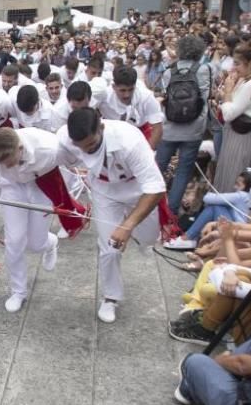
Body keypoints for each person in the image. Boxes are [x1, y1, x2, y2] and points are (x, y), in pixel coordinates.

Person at [58, 108, 168, 323]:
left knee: (148, 237)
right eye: (81, 148)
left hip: (137, 189)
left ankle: (143, 240)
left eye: (90, 145)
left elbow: (156, 188)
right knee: (110, 246)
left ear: (101, 127)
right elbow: (50, 160)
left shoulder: (130, 141)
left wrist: (127, 226)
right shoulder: (65, 139)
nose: (86, 152)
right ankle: (111, 297)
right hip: (103, 190)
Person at [0, 127, 69, 312]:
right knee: (14, 241)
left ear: (20, 148)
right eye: (3, 165)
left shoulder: (49, 147)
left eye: (10, 162)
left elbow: (72, 167)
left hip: (42, 184)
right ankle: (18, 291)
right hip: (12, 187)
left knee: (36, 244)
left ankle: (50, 243)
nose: (7, 166)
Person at [155, 34, 213, 212]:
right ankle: (171, 212)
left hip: (170, 127)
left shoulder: (168, 71)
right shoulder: (204, 69)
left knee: (157, 168)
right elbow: (205, 97)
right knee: (183, 172)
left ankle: (150, 207)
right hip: (194, 128)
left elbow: (164, 97)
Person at [213, 41, 251, 193]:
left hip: (241, 137)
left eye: (238, 63)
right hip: (234, 135)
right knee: (225, 174)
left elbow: (229, 114)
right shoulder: (245, 80)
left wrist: (227, 92)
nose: (234, 68)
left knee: (231, 179)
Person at [99, 66, 164, 150]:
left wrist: (148, 153)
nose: (127, 95)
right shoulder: (103, 96)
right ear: (114, 87)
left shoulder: (146, 96)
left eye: (130, 90)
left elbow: (157, 128)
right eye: (122, 90)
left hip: (140, 130)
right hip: (112, 132)